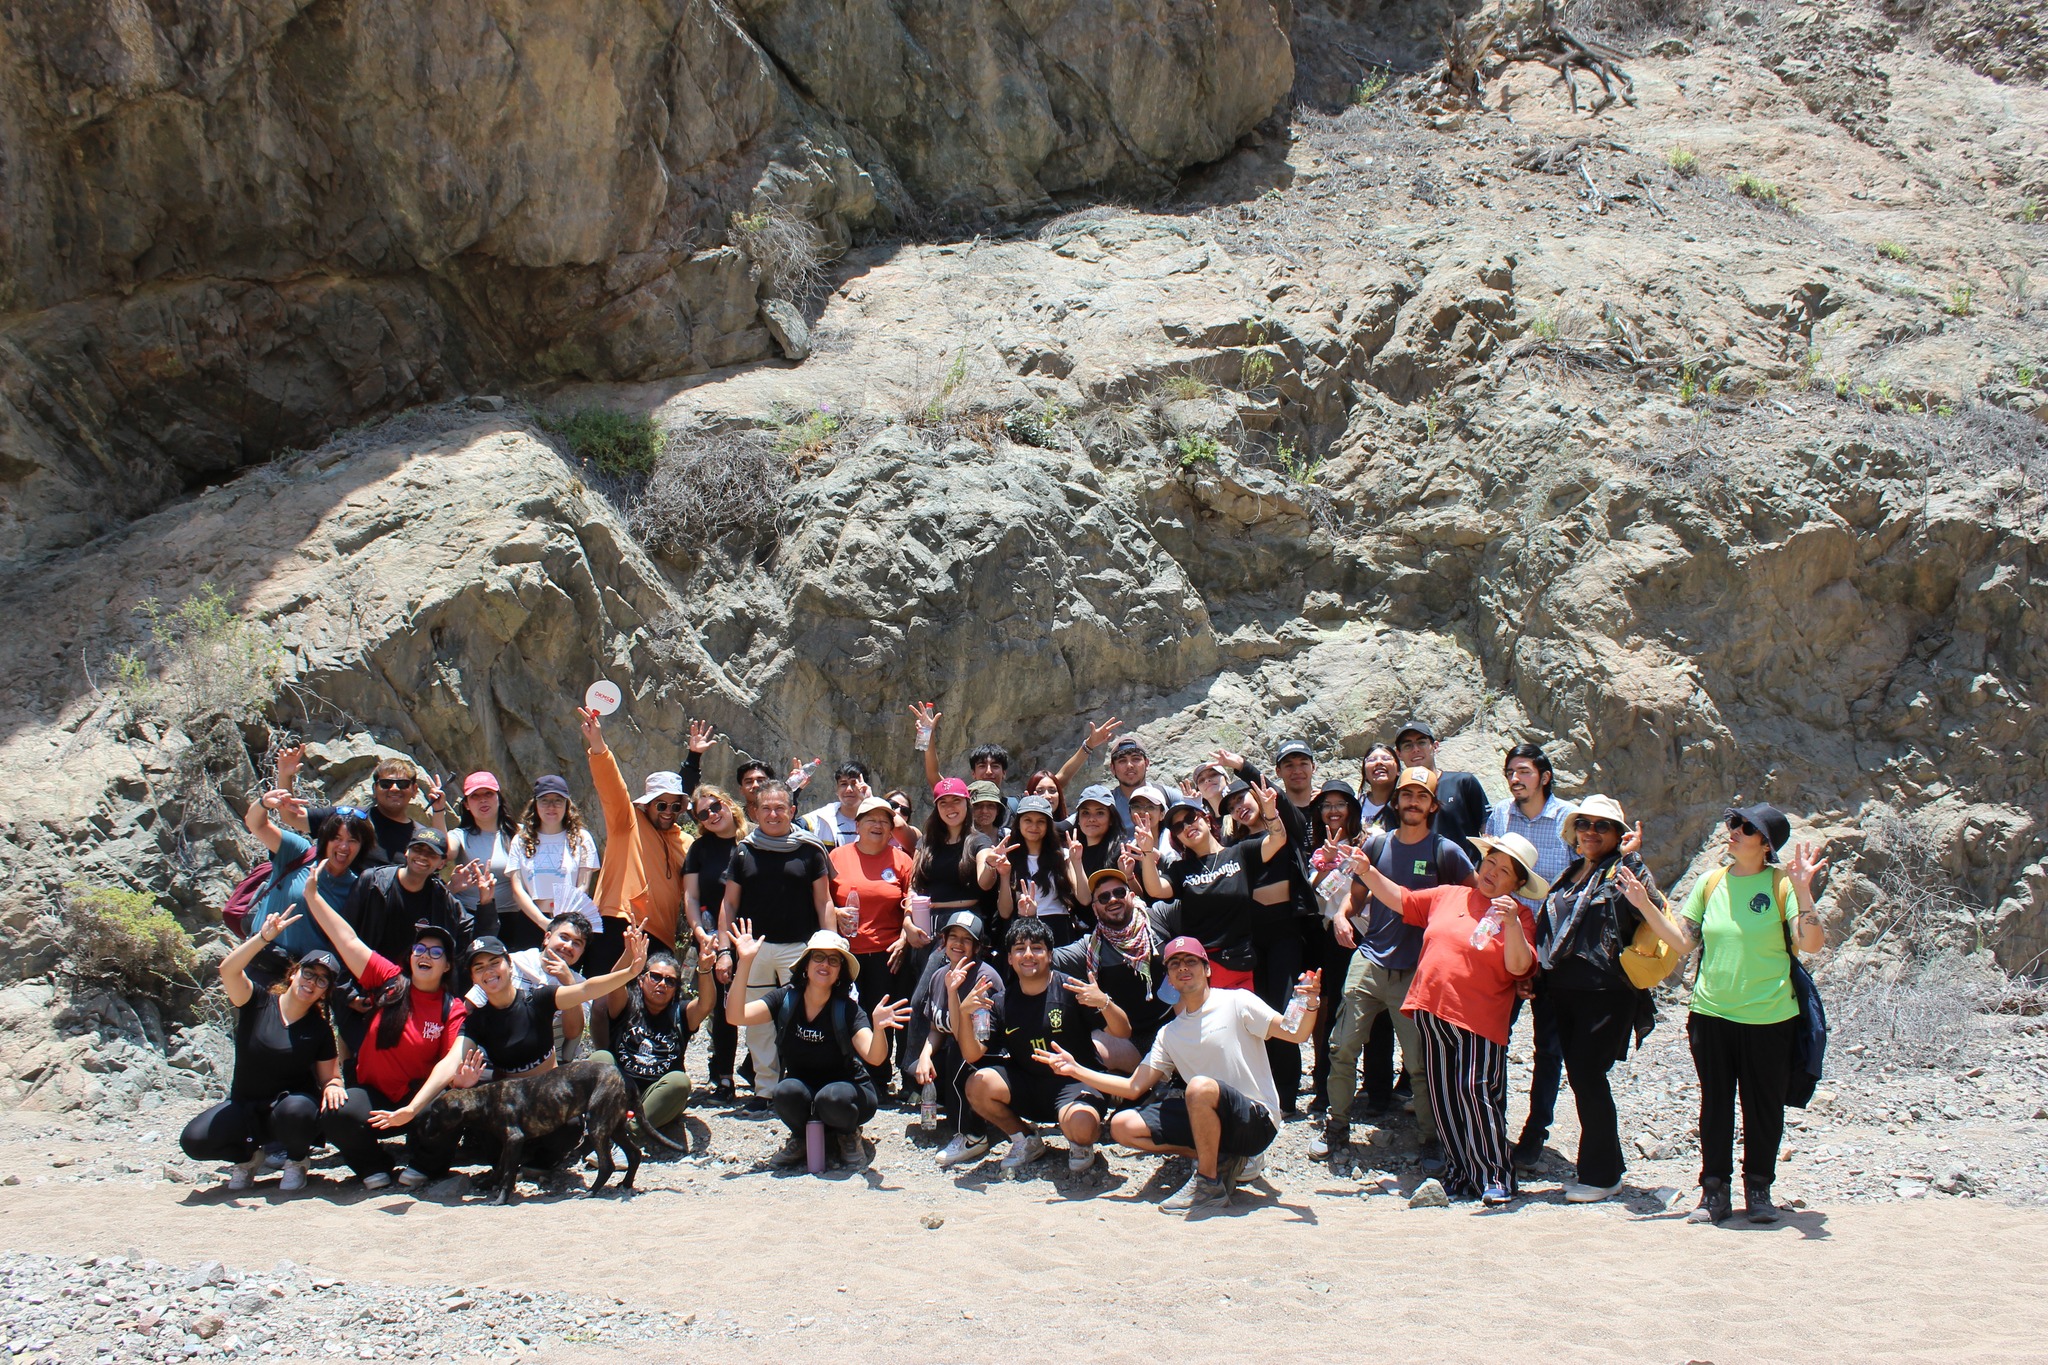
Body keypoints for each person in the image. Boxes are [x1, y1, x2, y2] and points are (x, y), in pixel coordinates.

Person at [1036, 937, 1318, 1215]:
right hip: (1208, 1115)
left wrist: (1311, 1003)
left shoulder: (1237, 1001)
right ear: (1169, 978)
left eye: (1191, 961)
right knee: (1122, 1125)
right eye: (1175, 964)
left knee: (1198, 1087)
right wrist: (1076, 1069)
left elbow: (1296, 1033)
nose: (1183, 967)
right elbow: (1133, 1087)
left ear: (1207, 969)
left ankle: (1208, 1185)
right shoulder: (1169, 1034)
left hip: (1255, 1120)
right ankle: (1222, 1158)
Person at [1348, 831, 1545, 1205]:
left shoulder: (1520, 917)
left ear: (1518, 883)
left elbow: (1521, 967)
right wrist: (1367, 871)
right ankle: (1460, 1174)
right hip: (1432, 1011)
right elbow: (1402, 900)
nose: (1492, 872)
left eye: (1504, 870)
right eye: (1490, 862)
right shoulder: (1450, 895)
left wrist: (1513, 926)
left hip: (1480, 1019)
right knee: (1443, 1097)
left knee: (1475, 1093)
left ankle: (1496, 1176)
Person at [1673, 803, 1827, 1225]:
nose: (1734, 830)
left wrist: (1803, 891)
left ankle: (1759, 1190)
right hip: (1711, 1013)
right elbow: (1683, 941)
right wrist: (1645, 904)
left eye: (1745, 827)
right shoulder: (1710, 882)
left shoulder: (1782, 885)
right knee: (1715, 1105)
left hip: (1770, 1016)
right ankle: (1714, 1192)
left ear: (1765, 843)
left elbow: (1812, 944)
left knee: (1764, 1107)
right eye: (1733, 823)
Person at [1531, 795, 1683, 1203]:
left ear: (1618, 834)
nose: (1591, 832)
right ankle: (1604, 1168)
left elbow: (1652, 909)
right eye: (1585, 824)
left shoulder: (1624, 870)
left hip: (1604, 992)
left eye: (1603, 826)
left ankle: (1601, 1176)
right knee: (1583, 1077)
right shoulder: (1572, 873)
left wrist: (1632, 858)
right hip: (1563, 991)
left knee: (1588, 1076)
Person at [1316, 766, 1473, 1160]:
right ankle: (1337, 1125)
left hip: (1418, 970)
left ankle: (1431, 1138)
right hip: (1370, 958)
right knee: (1342, 1047)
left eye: (1422, 796)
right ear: (1397, 800)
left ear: (1433, 805)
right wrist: (1342, 917)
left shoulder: (1446, 852)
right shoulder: (1378, 846)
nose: (1413, 802)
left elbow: (1473, 902)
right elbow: (1356, 896)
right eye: (1407, 795)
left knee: (1419, 1062)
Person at [304, 884, 471, 1189]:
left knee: (451, 1105)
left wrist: (412, 1108)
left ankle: (424, 1164)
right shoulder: (389, 979)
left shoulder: (452, 1008)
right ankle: (373, 1165)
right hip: (373, 1096)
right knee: (335, 1112)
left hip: (416, 1099)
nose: (426, 955)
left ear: (447, 965)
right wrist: (313, 897)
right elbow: (347, 940)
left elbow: (449, 1063)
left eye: (436, 952)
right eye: (420, 949)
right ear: (411, 956)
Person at [726, 922, 910, 1169]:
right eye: (819, 957)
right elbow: (735, 1016)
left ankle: (848, 1136)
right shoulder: (786, 999)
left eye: (834, 961)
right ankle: (802, 1138)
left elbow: (875, 1057)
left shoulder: (847, 1009)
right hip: (804, 1090)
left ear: (840, 973)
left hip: (849, 1095)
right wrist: (745, 962)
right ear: (806, 964)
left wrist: (879, 1029)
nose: (825, 965)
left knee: (831, 1097)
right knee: (784, 1092)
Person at [179, 916, 341, 1193]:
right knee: (194, 1140)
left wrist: (334, 1086)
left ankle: (296, 1160)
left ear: (325, 993)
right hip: (244, 1106)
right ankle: (247, 1158)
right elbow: (228, 970)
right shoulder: (256, 1002)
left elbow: (330, 1077)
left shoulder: (319, 1030)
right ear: (294, 974)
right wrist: (263, 938)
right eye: (309, 973)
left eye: (322, 980)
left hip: (288, 1111)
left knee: (298, 1109)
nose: (312, 982)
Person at [960, 918, 1125, 1174]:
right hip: (1029, 1085)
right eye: (1019, 949)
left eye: (1036, 948)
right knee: (977, 1084)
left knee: (1082, 1128)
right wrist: (963, 1013)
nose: (1028, 955)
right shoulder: (1002, 1002)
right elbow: (972, 1054)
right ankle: (1025, 1139)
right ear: (1010, 958)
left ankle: (1080, 1143)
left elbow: (1123, 1031)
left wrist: (1104, 1002)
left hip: (1075, 1084)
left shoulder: (1072, 989)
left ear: (1049, 955)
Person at [1483, 742, 1574, 1172]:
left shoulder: (1568, 820)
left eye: (1523, 772)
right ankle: (1491, 1121)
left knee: (1548, 1046)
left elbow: (1583, 879)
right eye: (1510, 773)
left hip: (1554, 948)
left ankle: (1536, 1131)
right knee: (1494, 1035)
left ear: (1544, 777)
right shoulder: (1499, 815)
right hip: (1506, 945)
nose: (1515, 780)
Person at [718, 781, 834, 1093]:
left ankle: (800, 1087)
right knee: (758, 1025)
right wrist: (724, 951)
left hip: (799, 948)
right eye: (766, 808)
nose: (773, 814)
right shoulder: (744, 851)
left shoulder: (810, 851)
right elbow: (729, 904)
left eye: (780, 808)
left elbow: (824, 902)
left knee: (804, 1018)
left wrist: (832, 949)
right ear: (755, 812)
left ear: (792, 811)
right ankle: (765, 1089)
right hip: (754, 949)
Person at [1133, 784, 1293, 991]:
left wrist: (1270, 813)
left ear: (1207, 820)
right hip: (1201, 967)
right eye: (1178, 827)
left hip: (1239, 961)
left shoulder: (1240, 853)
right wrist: (1147, 852)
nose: (1187, 826)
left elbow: (1278, 839)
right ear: (1177, 839)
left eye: (1191, 818)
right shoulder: (1180, 869)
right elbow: (1155, 889)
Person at [580, 706, 688, 973]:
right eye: (661, 805)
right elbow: (612, 787)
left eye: (675, 807)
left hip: (661, 938)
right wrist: (597, 744)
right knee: (602, 995)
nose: (668, 812)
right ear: (646, 804)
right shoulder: (627, 822)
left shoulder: (686, 842)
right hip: (617, 922)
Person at [829, 796, 925, 1094]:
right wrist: (835, 913)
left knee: (886, 1015)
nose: (878, 825)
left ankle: (889, 1078)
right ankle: (855, 1076)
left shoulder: (902, 860)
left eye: (885, 821)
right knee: (850, 1016)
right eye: (871, 819)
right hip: (846, 953)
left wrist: (904, 938)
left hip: (889, 952)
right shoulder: (836, 857)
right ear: (856, 825)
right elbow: (821, 900)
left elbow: (911, 904)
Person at [908, 911, 1008, 1168]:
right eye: (954, 937)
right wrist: (924, 1056)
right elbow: (938, 1027)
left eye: (967, 939)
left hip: (988, 1055)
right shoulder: (939, 976)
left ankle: (972, 1135)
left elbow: (973, 1037)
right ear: (944, 941)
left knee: (956, 1057)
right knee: (919, 1071)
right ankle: (974, 1113)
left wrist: (953, 993)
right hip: (961, 1049)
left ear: (977, 947)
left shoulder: (984, 978)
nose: (959, 944)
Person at [1052, 867, 1173, 1071]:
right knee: (1090, 1045)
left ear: (1131, 896)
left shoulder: (1159, 918)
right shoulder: (1089, 947)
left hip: (1175, 1027)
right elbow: (1044, 957)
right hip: (1131, 1040)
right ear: (1095, 908)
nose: (1113, 900)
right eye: (1104, 897)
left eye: (1119, 892)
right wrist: (1028, 918)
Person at [243, 792, 374, 962]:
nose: (343, 846)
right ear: (325, 838)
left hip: (303, 973)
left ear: (362, 846)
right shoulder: (297, 853)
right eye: (337, 838)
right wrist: (264, 803)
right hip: (258, 958)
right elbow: (256, 824)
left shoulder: (357, 889)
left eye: (352, 840)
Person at [601, 949, 717, 1140]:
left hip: (655, 1096)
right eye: (655, 977)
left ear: (675, 989)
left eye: (670, 981)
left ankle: (629, 1134)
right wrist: (629, 952)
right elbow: (614, 984)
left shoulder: (681, 1014)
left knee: (680, 1081)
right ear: (641, 980)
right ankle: (601, 1124)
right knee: (600, 1058)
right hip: (619, 1090)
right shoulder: (626, 1005)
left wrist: (704, 970)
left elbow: (706, 1005)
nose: (662, 984)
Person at [339, 828, 477, 976]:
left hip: (414, 984)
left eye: (431, 854)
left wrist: (486, 902)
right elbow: (343, 933)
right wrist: (346, 985)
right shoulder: (372, 882)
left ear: (442, 863)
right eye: (417, 849)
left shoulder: (443, 899)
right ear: (407, 851)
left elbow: (470, 934)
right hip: (367, 978)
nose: (422, 856)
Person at [685, 784, 749, 1097]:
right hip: (712, 936)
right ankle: (723, 1075)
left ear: (727, 803)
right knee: (721, 1008)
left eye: (715, 807)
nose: (712, 815)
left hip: (753, 934)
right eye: (703, 814)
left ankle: (762, 1071)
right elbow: (691, 896)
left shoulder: (751, 839)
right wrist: (699, 933)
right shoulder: (700, 849)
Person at [1304, 779, 1364, 1113]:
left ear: (1352, 809)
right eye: (1327, 805)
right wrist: (1325, 863)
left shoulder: (1370, 841)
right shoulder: (1318, 849)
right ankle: (1328, 1087)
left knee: (1372, 1010)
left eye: (1340, 804)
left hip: (1368, 931)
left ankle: (1376, 1088)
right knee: (1335, 1008)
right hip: (1333, 934)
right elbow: (1314, 896)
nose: (1333, 811)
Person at [284, 749, 450, 865]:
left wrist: (438, 810)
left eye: (402, 784)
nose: (394, 789)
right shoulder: (349, 818)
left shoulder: (418, 835)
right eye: (386, 784)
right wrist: (285, 775)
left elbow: (441, 857)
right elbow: (292, 817)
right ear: (375, 790)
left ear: (414, 790)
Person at [461, 913, 591, 1059]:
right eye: (564, 937)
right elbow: (469, 1008)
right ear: (547, 937)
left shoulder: (580, 985)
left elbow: (572, 1033)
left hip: (549, 1062)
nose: (568, 946)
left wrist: (569, 984)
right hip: (495, 1055)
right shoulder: (510, 964)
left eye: (577, 943)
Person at [504, 774, 600, 952]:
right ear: (535, 804)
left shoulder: (582, 838)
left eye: (558, 800)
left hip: (569, 922)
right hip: (531, 920)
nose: (551, 807)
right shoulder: (521, 840)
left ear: (567, 804)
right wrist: (544, 922)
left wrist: (560, 923)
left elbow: (583, 885)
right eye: (545, 800)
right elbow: (517, 890)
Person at [1392, 721, 1490, 859]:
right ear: (1399, 754)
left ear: (1435, 746)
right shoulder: (1399, 795)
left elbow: (1488, 831)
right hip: (1418, 870)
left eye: (1421, 743)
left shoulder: (1463, 783)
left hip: (1465, 870)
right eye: (1408, 745)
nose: (1415, 749)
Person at [998, 794, 1083, 942]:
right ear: (1018, 823)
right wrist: (1004, 875)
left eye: (1040, 821)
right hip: (1022, 928)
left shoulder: (1062, 856)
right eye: (1028, 820)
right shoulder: (1008, 859)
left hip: (1058, 927)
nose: (1034, 827)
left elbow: (1084, 898)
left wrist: (1077, 862)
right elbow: (1004, 913)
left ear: (1048, 825)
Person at [449, 772, 520, 947]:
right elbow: (446, 852)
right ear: (466, 804)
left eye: (488, 793)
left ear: (499, 798)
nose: (483, 800)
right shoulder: (460, 835)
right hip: (469, 916)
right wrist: (438, 810)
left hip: (514, 917)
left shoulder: (519, 834)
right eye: (475, 796)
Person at [1065, 784, 1126, 887]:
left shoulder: (1121, 852)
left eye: (1100, 813)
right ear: (1078, 819)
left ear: (1111, 819)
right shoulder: (1072, 854)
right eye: (1085, 813)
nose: (1092, 819)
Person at [803, 762, 874, 847]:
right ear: (836, 789)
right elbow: (791, 830)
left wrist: (869, 800)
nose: (849, 789)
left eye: (854, 784)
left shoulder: (879, 820)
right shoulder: (820, 819)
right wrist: (795, 790)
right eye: (843, 784)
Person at [1357, 743, 1399, 828]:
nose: (1379, 762)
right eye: (1371, 760)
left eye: (1386, 758)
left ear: (1398, 770)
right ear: (1365, 774)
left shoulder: (1405, 803)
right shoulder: (1355, 805)